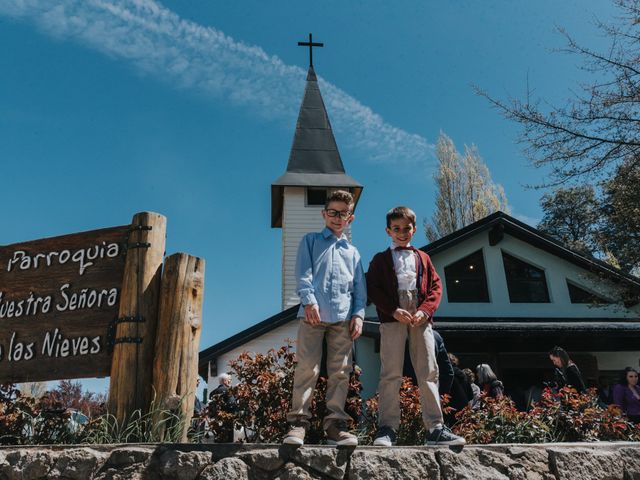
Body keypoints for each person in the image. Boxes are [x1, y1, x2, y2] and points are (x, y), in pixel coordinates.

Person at [366, 206, 465, 446]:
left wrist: (425, 310)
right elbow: (373, 288)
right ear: (388, 231)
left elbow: (435, 287)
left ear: (414, 229)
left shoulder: (424, 258)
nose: (402, 233)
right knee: (391, 372)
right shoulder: (380, 260)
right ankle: (387, 428)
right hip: (393, 317)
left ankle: (436, 428)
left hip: (420, 316)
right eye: (396, 229)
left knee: (429, 371)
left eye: (407, 228)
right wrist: (392, 309)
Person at [283, 190, 366, 447]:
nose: (337, 217)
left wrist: (358, 315)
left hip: (342, 318)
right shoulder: (311, 241)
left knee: (341, 372)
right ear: (324, 214)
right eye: (333, 212)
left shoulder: (353, 253)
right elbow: (303, 274)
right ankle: (298, 424)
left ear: (350, 218)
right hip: (313, 316)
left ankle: (335, 425)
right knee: (308, 368)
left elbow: (359, 289)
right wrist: (309, 300)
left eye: (343, 213)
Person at [446, 353, 474, 423]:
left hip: (452, 410)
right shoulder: (463, 375)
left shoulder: (447, 375)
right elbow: (470, 395)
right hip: (464, 409)